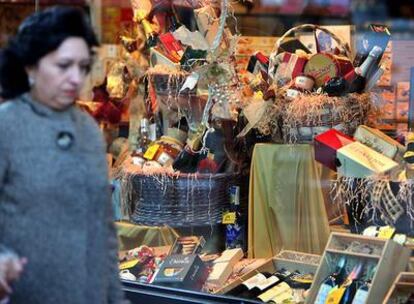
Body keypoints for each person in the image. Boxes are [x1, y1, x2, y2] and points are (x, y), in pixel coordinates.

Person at [0, 6, 125, 304]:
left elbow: (104, 229)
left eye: (82, 67)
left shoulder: (88, 130)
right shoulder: (7, 125)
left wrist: (116, 298)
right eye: (63, 65)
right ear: (31, 67)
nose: (75, 78)